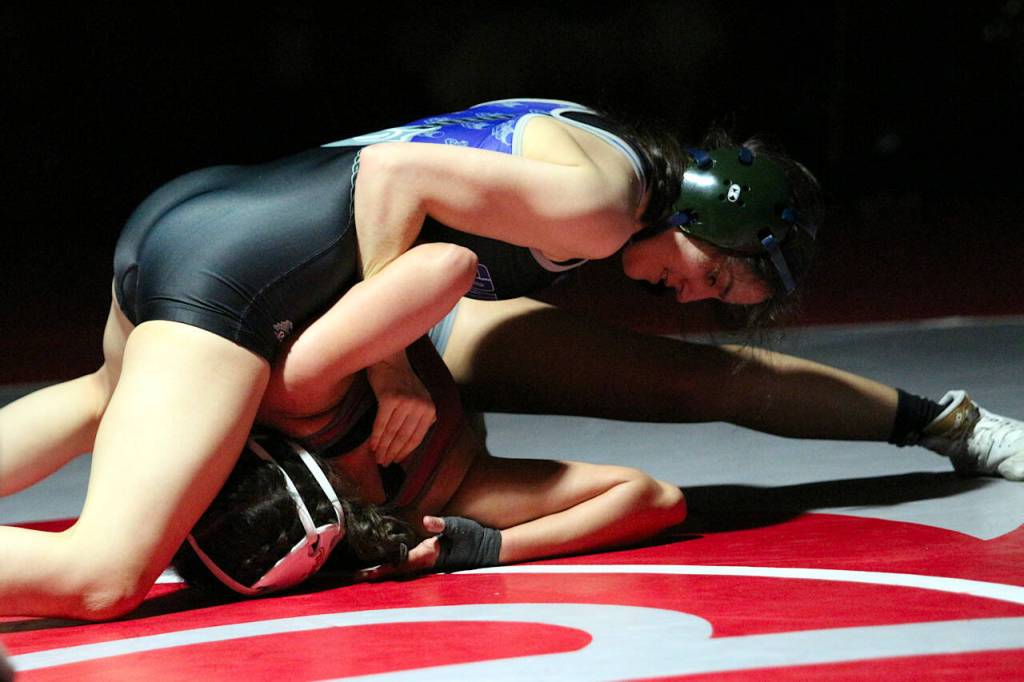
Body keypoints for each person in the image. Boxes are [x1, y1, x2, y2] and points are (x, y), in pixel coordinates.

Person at [0, 97, 1019, 621]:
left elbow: (655, 458)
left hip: (236, 225)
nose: (687, 295)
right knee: (102, 572)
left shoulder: (603, 154)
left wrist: (471, 538)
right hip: (281, 273)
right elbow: (400, 189)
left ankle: (944, 423)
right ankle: (949, 424)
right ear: (704, 213)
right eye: (710, 276)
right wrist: (393, 362)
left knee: (110, 396)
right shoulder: (597, 208)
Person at [173, 336, 685, 596]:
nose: (362, 466)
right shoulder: (431, 503)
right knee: (700, 382)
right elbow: (654, 499)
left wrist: (389, 361)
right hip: (450, 341)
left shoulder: (296, 390)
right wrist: (482, 547)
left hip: (449, 326)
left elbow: (422, 264)